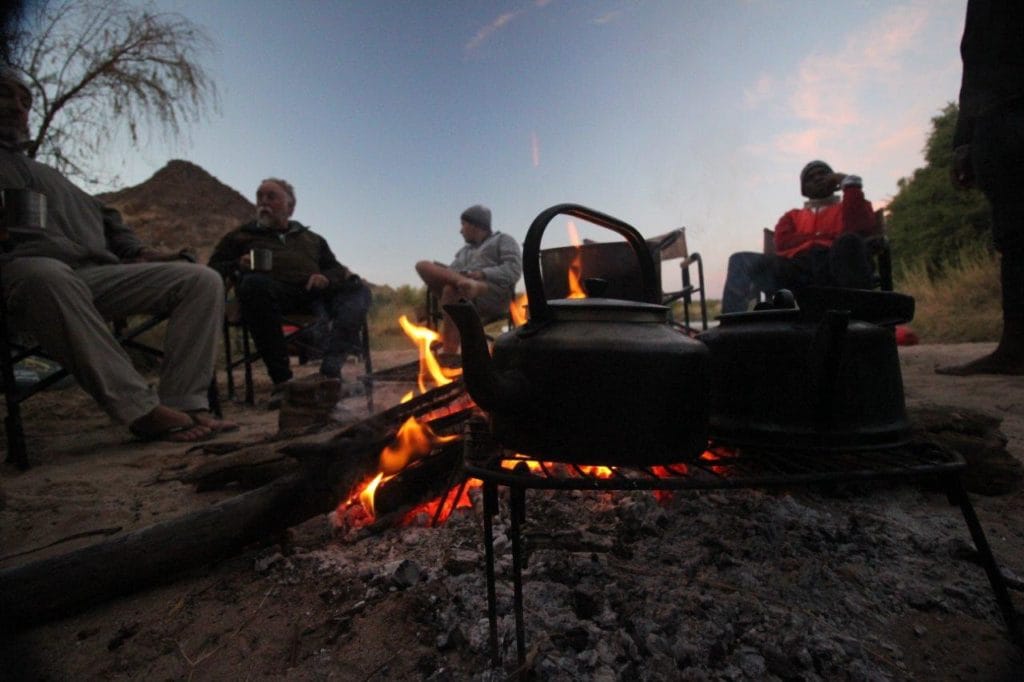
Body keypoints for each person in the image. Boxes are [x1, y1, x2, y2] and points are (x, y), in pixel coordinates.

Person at [0, 67, 233, 442]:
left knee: (201, 279)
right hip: (23, 278)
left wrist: (138, 250)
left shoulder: (46, 172)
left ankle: (186, 403)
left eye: (24, 101)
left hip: (91, 277)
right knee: (46, 275)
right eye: (5, 96)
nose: (16, 107)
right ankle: (141, 410)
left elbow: (105, 215)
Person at [209, 178, 371, 406]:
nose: (263, 202)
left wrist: (325, 277)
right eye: (260, 197)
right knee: (254, 284)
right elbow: (213, 269)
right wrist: (237, 263)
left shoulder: (312, 239)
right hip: (270, 295)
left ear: (290, 206)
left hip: (313, 295)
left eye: (271, 196)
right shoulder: (241, 236)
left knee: (358, 290)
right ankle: (282, 382)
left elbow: (336, 269)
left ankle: (330, 373)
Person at [937, 0, 1024, 376]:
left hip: (1000, 113)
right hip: (996, 115)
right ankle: (1016, 347)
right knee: (1013, 232)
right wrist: (964, 141)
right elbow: (975, 59)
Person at [720, 160, 880, 314]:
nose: (817, 177)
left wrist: (848, 183)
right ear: (804, 187)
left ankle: (860, 319)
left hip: (835, 265)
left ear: (835, 181)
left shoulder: (849, 206)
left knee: (849, 241)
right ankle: (729, 324)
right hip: (797, 268)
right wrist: (824, 237)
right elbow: (783, 242)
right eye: (810, 177)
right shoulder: (792, 216)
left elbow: (858, 229)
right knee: (740, 260)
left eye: (823, 174)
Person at [415, 204, 522, 358]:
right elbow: (449, 274)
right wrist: (455, 276)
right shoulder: (465, 252)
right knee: (423, 266)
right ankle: (466, 285)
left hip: (492, 295)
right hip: (464, 291)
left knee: (451, 291)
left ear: (475, 225)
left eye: (463, 225)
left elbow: (514, 270)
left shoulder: (502, 240)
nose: (460, 230)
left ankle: (449, 356)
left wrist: (482, 274)